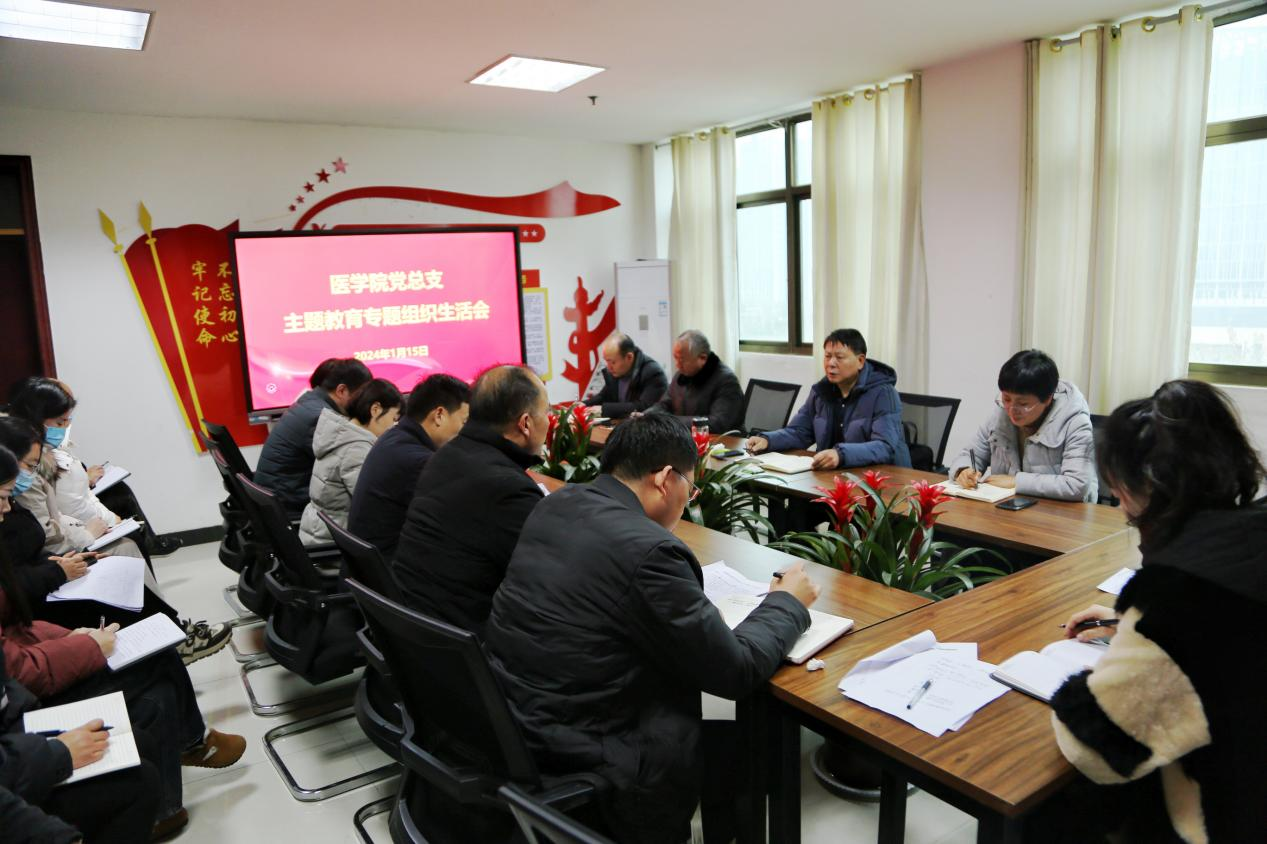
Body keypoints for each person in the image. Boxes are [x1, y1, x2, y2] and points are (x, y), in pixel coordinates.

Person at [486, 414, 817, 843]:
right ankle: (733, 827)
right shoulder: (651, 552)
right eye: (690, 487)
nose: (688, 499)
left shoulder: (556, 504)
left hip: (516, 723)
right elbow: (733, 669)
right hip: (593, 754)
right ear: (664, 479)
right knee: (725, 707)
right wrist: (787, 602)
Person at [1045, 380, 1265, 843]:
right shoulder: (1250, 537)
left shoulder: (1176, 598)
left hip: (1221, 815)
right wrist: (1128, 625)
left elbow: (1097, 749)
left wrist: (1133, 644)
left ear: (1140, 488)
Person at [2, 447, 247, 838]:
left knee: (157, 661)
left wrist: (70, 638)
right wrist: (86, 647)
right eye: (2, 497)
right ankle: (186, 756)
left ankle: (186, 754)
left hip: (33, 665)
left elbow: (16, 628)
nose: (6, 507)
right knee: (154, 678)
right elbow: (18, 667)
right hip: (26, 705)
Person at [0, 419, 229, 664]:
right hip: (35, 598)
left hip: (47, 575)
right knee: (114, 590)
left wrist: (67, 560)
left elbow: (33, 547)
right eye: (30, 465)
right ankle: (172, 644)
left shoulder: (11, 500)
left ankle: (173, 636)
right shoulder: (13, 498)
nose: (33, 473)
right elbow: (11, 578)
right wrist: (58, 570)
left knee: (118, 570)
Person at [392, 365, 548, 638]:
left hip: (414, 625)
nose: (549, 420)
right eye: (546, 412)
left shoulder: (447, 455)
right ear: (525, 424)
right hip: (463, 641)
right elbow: (545, 581)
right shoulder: (506, 487)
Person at [2, 650, 162, 842]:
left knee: (139, 742)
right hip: (13, 777)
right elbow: (27, 668)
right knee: (141, 782)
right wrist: (58, 753)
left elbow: (10, 692)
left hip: (19, 744)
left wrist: (38, 724)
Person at [746, 328, 911, 469]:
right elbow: (799, 432)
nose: (831, 363)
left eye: (839, 357)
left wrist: (841, 455)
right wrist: (768, 440)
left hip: (883, 479)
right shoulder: (821, 392)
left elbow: (884, 447)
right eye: (827, 356)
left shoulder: (883, 394)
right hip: (834, 475)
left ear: (860, 361)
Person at [947, 350, 1096, 502]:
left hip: (1061, 512)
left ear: (1048, 399)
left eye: (1023, 403)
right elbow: (970, 454)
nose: (1012, 409)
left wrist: (1016, 481)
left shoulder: (1075, 421)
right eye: (1006, 399)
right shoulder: (1000, 413)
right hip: (1006, 506)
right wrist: (963, 471)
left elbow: (1076, 484)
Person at [348, 373, 469, 558]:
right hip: (389, 569)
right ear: (439, 415)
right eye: (464, 422)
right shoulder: (418, 461)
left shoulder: (393, 437)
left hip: (368, 566)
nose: (464, 431)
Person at [253, 357, 372, 519]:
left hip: (278, 498)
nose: (364, 402)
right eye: (361, 395)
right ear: (342, 391)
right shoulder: (321, 419)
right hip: (290, 507)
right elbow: (349, 466)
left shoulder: (309, 403)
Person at [298, 378, 403, 546]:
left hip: (321, 534)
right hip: (333, 546)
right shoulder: (355, 448)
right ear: (375, 410)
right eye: (393, 419)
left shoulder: (342, 435)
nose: (394, 426)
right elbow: (376, 504)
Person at [653, 329, 744, 433]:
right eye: (676, 359)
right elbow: (664, 404)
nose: (677, 365)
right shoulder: (681, 376)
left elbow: (717, 423)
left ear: (702, 358)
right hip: (684, 436)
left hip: (722, 440)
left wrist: (670, 421)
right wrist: (646, 416)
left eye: (682, 360)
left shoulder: (726, 381)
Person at [583, 332, 668, 418]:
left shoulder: (653, 373)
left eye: (613, 362)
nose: (608, 367)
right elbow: (604, 396)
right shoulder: (617, 371)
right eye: (607, 361)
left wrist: (604, 409)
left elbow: (643, 406)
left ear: (629, 357)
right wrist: (583, 405)